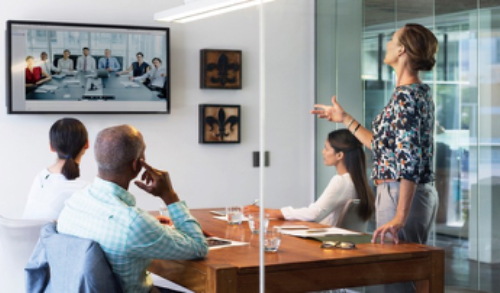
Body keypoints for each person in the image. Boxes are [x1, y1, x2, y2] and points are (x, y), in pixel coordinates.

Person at [312, 23, 439, 246]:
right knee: (399, 273)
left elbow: (408, 161)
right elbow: (380, 145)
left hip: (399, 192)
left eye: (393, 39)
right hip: (400, 191)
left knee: (398, 275)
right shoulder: (413, 93)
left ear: (401, 50)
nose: (388, 44)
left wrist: (400, 216)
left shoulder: (406, 97)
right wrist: (344, 118)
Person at [57, 124, 208, 293]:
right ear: (137, 164)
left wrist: (150, 226)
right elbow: (198, 247)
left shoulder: (74, 202)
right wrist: (169, 195)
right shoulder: (133, 224)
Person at [244, 129, 374, 227]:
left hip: (326, 244)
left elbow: (314, 214)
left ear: (339, 155)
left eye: (326, 148)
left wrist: (266, 212)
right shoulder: (357, 182)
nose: (323, 152)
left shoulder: (341, 182)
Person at [22, 118, 89, 220]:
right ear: (87, 144)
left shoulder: (41, 178)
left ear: (51, 147)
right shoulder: (85, 190)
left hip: (26, 236)